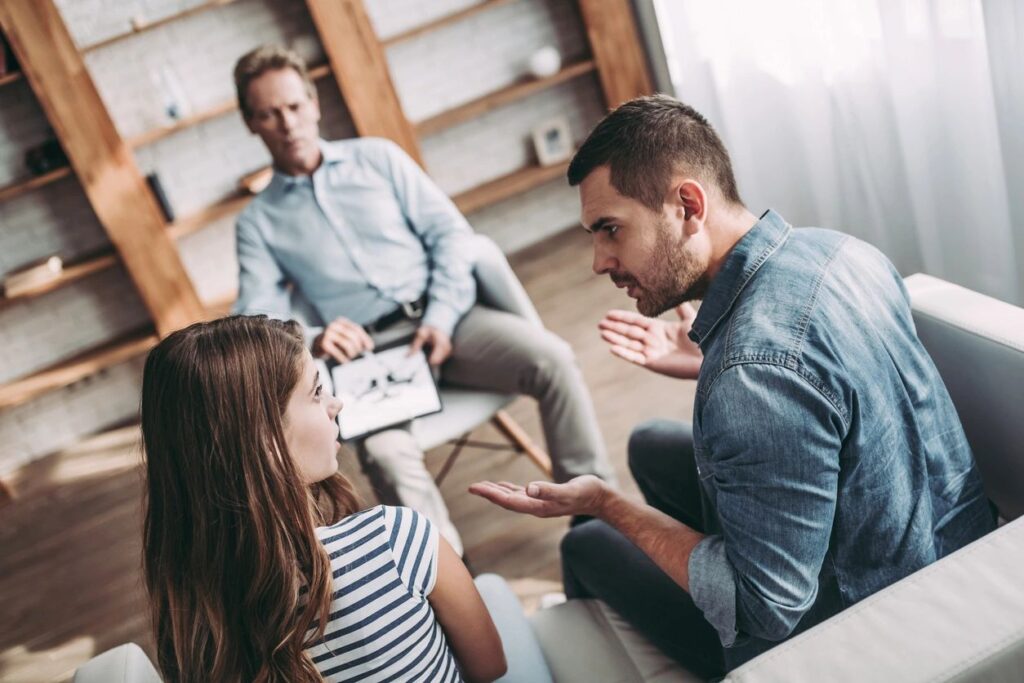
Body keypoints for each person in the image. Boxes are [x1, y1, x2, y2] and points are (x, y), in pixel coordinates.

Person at [470, 94, 996, 676]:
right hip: (945, 544)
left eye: (611, 230)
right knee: (647, 441)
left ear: (687, 204)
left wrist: (607, 505)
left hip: (859, 625)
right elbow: (820, 386)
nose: (598, 261)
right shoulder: (838, 249)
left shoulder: (754, 375)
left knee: (585, 542)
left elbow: (765, 607)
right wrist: (710, 362)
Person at [231, 45, 615, 557]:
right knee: (385, 455)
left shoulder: (380, 158)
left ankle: (596, 528)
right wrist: (315, 336)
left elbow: (450, 236)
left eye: (295, 106)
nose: (287, 123)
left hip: (450, 321)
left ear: (314, 102)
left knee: (555, 360)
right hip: (370, 359)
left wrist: (439, 316)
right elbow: (253, 318)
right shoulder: (258, 223)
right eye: (269, 114)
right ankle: (453, 587)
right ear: (251, 124)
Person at [140, 315, 510, 682]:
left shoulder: (188, 617)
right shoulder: (396, 539)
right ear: (266, 440)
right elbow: (490, 667)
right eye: (317, 393)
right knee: (495, 592)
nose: (337, 403)